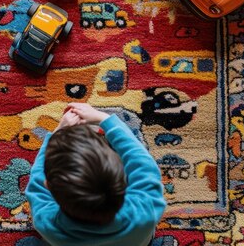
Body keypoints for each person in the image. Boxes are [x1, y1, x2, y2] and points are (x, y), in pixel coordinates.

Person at [25, 103, 166, 246]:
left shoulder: (46, 222)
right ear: (122, 177)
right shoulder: (145, 211)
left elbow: (37, 185)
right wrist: (104, 119)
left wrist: (58, 131)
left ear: (47, 185)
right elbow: (143, 164)